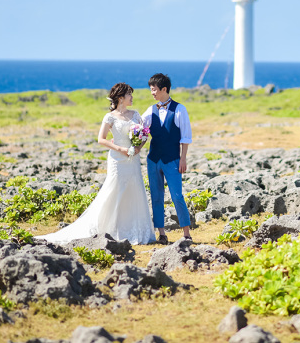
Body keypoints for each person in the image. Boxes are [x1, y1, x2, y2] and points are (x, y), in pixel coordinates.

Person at [36, 83, 156, 245]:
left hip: (133, 158)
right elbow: (101, 139)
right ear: (121, 98)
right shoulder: (110, 117)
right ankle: (109, 228)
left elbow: (144, 134)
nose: (132, 97)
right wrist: (120, 148)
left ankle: (134, 230)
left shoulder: (135, 114)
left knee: (134, 189)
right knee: (115, 189)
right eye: (129, 94)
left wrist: (137, 147)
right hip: (117, 158)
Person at [141, 73, 193, 244]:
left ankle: (186, 233)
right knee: (156, 196)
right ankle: (161, 233)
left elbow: (185, 137)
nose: (152, 93)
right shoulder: (150, 110)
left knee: (177, 196)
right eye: (151, 90)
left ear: (164, 89)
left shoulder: (180, 109)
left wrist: (183, 159)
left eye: (154, 89)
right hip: (153, 160)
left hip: (173, 160)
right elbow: (139, 129)